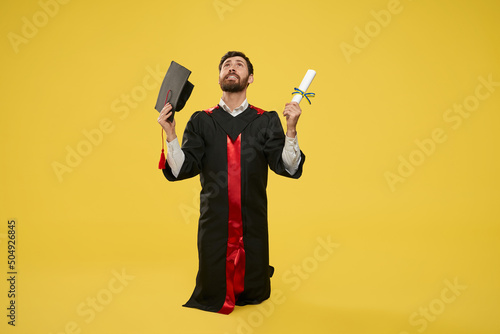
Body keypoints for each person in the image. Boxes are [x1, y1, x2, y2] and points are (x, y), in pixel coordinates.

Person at [157, 51, 306, 314]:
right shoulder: (202, 120)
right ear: (219, 78)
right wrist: (171, 134)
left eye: (239, 65)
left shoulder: (266, 120)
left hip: (253, 217)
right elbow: (183, 169)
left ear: (250, 78)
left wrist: (291, 128)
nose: (232, 68)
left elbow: (286, 166)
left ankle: (252, 286)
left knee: (254, 283)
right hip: (214, 218)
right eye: (226, 65)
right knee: (213, 278)